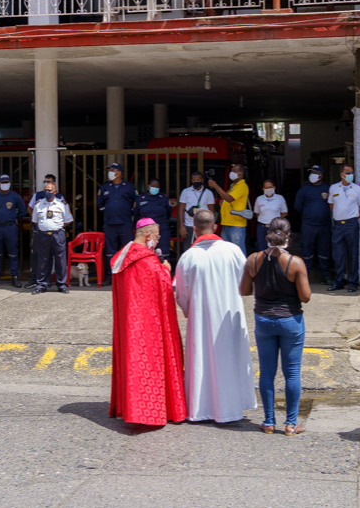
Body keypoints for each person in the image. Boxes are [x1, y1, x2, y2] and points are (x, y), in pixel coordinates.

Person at [174, 209, 256, 422]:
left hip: (202, 316)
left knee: (203, 359)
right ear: (216, 226)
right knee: (230, 358)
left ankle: (203, 409)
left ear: (194, 229)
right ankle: (234, 405)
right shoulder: (233, 250)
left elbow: (181, 293)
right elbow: (245, 283)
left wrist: (188, 309)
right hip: (230, 313)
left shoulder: (188, 256)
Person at [109, 218, 187, 426]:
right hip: (148, 325)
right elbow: (163, 288)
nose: (158, 241)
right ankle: (149, 412)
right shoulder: (148, 260)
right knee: (150, 365)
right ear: (149, 236)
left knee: (132, 362)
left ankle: (126, 408)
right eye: (158, 237)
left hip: (129, 324)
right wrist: (165, 269)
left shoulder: (122, 257)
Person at [239, 217, 312, 435]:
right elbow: (306, 297)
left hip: (264, 319)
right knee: (291, 373)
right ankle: (290, 424)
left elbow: (244, 291)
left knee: (267, 372)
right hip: (290, 320)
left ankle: (269, 421)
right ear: (288, 236)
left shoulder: (253, 259)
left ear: (268, 233)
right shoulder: (295, 263)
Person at [329, 164, 360, 292]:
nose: (351, 174)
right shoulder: (334, 188)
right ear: (342, 175)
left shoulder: (357, 189)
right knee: (338, 254)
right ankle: (338, 282)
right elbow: (331, 205)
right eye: (348, 172)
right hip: (339, 225)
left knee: (353, 253)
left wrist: (353, 218)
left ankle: (353, 283)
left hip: (351, 224)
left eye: (352, 172)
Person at [97, 163, 137, 285]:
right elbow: (100, 203)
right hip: (110, 224)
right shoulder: (105, 187)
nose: (110, 172)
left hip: (125, 223)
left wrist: (127, 213)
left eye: (112, 170)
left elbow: (135, 203)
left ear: (119, 173)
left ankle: (127, 275)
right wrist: (110, 211)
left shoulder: (129, 187)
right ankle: (110, 276)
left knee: (127, 250)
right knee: (110, 251)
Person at [31, 181, 73, 294]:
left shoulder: (62, 204)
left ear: (55, 192)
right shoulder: (38, 204)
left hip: (58, 234)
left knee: (60, 260)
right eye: (45, 190)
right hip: (43, 235)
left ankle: (61, 284)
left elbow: (68, 220)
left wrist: (57, 227)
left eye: (50, 190)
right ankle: (41, 285)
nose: (47, 192)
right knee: (43, 260)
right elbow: (35, 220)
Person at [294, 165, 332, 283]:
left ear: (320, 175)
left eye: (315, 172)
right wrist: (309, 214)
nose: (312, 174)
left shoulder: (328, 188)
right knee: (307, 250)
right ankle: (306, 276)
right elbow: (297, 206)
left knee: (324, 251)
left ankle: (325, 276)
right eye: (311, 172)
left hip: (324, 226)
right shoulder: (304, 189)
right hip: (308, 225)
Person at [0, 174, 28, 288]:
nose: (4, 184)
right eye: (2, 182)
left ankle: (15, 277)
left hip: (10, 227)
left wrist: (12, 218)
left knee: (13, 253)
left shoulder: (15, 196)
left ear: (10, 183)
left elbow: (22, 211)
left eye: (6, 182)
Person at [208, 163, 250, 256]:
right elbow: (227, 199)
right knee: (228, 253)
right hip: (227, 223)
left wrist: (215, 186)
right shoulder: (233, 186)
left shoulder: (242, 186)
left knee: (238, 253)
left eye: (235, 171)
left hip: (236, 225)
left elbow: (229, 198)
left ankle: (243, 270)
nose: (232, 173)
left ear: (241, 173)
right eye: (232, 171)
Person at [135, 178, 173, 261]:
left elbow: (169, 213)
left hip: (162, 230)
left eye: (157, 186)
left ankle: (164, 272)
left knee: (164, 254)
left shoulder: (163, 198)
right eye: (153, 186)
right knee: (146, 254)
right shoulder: (140, 199)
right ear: (149, 186)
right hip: (146, 232)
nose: (155, 188)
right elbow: (136, 215)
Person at [177, 171, 215, 252]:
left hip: (204, 226)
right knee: (188, 250)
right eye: (194, 180)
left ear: (202, 180)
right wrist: (181, 226)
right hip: (189, 225)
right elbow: (181, 209)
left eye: (198, 180)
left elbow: (211, 211)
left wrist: (211, 226)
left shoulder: (208, 193)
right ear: (191, 180)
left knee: (204, 249)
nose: (196, 182)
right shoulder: (185, 192)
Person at [253, 179, 288, 252]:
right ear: (263, 189)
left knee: (275, 248)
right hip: (262, 228)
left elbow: (284, 212)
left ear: (274, 188)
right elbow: (257, 213)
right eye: (266, 188)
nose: (268, 189)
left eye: (270, 187)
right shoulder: (259, 199)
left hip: (275, 228)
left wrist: (276, 221)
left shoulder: (280, 198)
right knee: (261, 247)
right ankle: (263, 263)